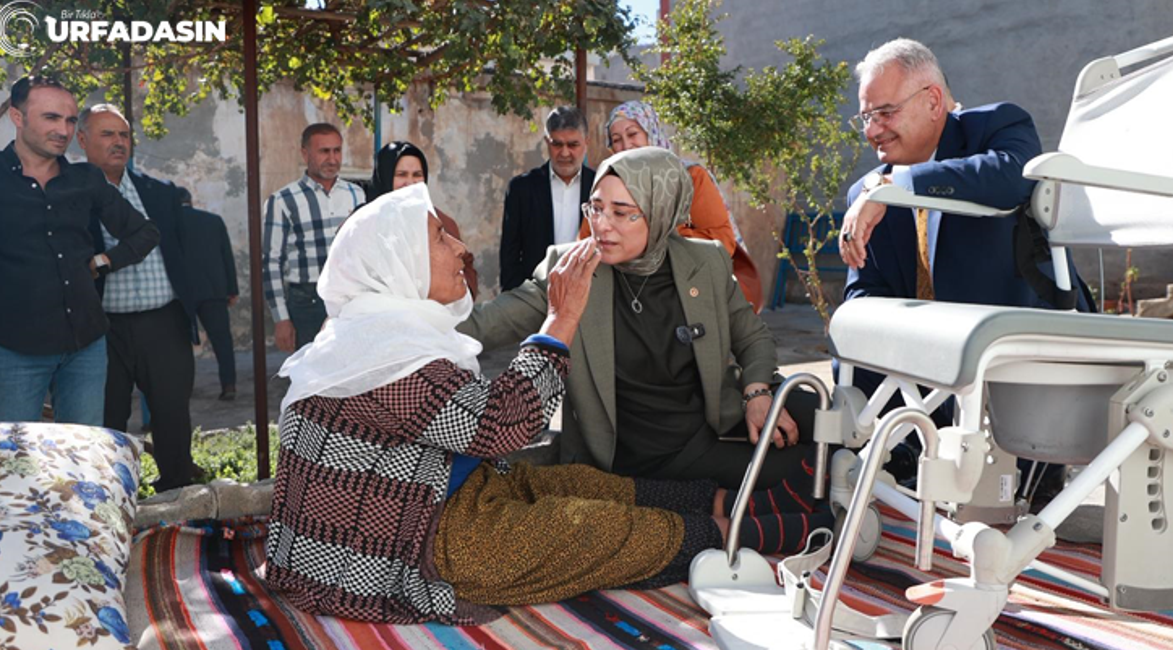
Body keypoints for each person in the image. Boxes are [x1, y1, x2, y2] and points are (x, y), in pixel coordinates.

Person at [264, 183, 803, 625]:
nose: (461, 248)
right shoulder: (384, 355)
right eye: (440, 238)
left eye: (624, 211)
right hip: (409, 545)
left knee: (579, 484)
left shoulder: (375, 333)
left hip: (434, 496)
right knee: (592, 528)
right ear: (396, 262)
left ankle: (730, 504)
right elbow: (503, 425)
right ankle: (757, 534)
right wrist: (560, 321)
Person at [462, 147, 829, 535]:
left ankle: (762, 518)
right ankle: (750, 522)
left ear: (661, 212)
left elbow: (752, 336)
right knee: (812, 474)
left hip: (706, 427)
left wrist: (757, 393)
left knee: (827, 424)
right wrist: (421, 331)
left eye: (622, 213)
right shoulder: (571, 268)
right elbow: (489, 322)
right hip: (635, 454)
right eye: (596, 208)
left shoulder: (706, 261)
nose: (602, 225)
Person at [836, 38, 1089, 503]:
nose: (872, 131)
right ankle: (884, 466)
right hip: (931, 347)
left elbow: (1012, 176)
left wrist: (898, 185)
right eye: (865, 117)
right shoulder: (864, 193)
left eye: (885, 113)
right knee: (852, 341)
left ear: (933, 101)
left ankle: (1036, 470)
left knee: (1012, 498)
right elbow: (866, 288)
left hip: (1020, 328)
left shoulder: (997, 125)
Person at [0, 75, 158, 426]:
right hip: (13, 347)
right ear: (18, 117)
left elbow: (144, 232)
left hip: (85, 345)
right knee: (12, 454)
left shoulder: (85, 179)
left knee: (83, 451)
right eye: (51, 118)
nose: (64, 130)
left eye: (70, 120)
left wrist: (105, 261)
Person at [77, 104, 199, 490]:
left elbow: (182, 254)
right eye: (107, 134)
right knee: (107, 418)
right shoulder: (70, 195)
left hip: (163, 322)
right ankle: (110, 495)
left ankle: (178, 494)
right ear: (82, 141)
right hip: (102, 328)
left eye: (124, 135)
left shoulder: (159, 193)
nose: (119, 142)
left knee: (172, 414)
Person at [588, 100, 764, 311]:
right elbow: (588, 241)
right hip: (628, 298)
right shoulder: (609, 185)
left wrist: (660, 234)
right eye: (616, 140)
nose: (626, 145)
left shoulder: (690, 178)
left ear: (651, 132)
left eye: (633, 134)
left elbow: (722, 241)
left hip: (688, 296)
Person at [262, 123, 365, 352]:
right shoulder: (283, 201)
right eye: (324, 151)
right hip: (306, 303)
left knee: (350, 366)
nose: (332, 159)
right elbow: (271, 263)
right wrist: (281, 319)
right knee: (311, 369)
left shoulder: (356, 195)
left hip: (350, 298)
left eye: (337, 150)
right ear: (305, 153)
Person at [498, 106, 595, 291]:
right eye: (557, 144)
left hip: (588, 292)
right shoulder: (521, 188)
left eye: (573, 145)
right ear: (546, 142)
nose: (564, 153)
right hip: (534, 295)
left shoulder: (600, 187)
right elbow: (510, 254)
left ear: (586, 142)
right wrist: (514, 299)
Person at [369, 140, 478, 298]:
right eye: (401, 175)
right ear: (385, 176)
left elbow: (465, 264)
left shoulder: (441, 222)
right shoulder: (364, 223)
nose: (410, 183)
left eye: (417, 175)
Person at [177, 187, 239, 401]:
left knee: (180, 343)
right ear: (191, 201)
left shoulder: (170, 223)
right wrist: (232, 289)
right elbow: (226, 256)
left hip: (181, 293)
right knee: (222, 340)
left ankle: (183, 389)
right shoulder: (213, 221)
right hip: (213, 290)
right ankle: (229, 385)